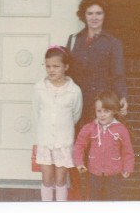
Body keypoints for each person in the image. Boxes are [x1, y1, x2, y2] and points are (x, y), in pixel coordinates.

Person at [66, 0, 128, 125]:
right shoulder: (73, 40)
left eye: (99, 13)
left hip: (101, 102)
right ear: (84, 15)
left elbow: (118, 74)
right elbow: (66, 71)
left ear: (105, 16)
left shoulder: (113, 43)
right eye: (90, 13)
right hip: (76, 100)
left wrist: (122, 96)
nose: (94, 17)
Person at [32, 45, 83, 201]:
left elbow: (75, 115)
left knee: (61, 179)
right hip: (46, 142)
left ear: (66, 67)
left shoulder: (74, 91)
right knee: (47, 179)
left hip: (63, 142)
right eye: (48, 66)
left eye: (56, 66)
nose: (51, 70)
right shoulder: (39, 88)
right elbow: (36, 113)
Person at [74, 91, 134, 201]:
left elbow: (127, 151)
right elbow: (79, 145)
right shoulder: (90, 128)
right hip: (94, 173)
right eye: (99, 111)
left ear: (114, 111)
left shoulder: (121, 129)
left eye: (106, 111)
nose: (102, 114)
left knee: (113, 201)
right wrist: (79, 162)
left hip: (114, 174)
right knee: (94, 200)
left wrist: (128, 167)